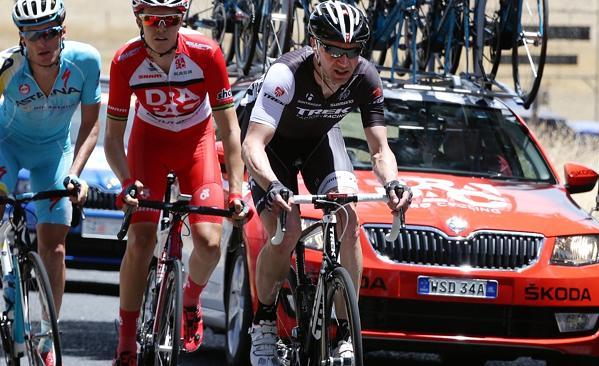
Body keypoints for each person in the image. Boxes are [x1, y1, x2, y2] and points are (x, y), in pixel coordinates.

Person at [240, 1, 412, 364]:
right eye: (333, 49)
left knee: (348, 219)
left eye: (352, 52)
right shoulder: (285, 74)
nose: (343, 61)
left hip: (320, 139)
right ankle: (265, 320)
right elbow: (253, 143)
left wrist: (394, 183)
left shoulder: (365, 78)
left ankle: (345, 333)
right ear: (314, 44)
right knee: (285, 233)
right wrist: (272, 185)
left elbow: (380, 149)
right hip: (272, 148)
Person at [103, 0, 246, 364]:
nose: (161, 27)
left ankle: (190, 300)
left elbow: (229, 130)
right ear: (139, 19)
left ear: (182, 19)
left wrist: (236, 191)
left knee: (210, 241)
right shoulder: (124, 61)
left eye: (171, 19)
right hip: (149, 145)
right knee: (140, 239)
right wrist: (126, 183)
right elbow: (112, 140)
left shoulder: (206, 53)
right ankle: (126, 337)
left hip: (196, 143)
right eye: (152, 19)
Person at [0, 0, 101, 364]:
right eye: (33, 34)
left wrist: (76, 172)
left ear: (64, 30)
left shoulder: (86, 62)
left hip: (52, 154)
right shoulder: (7, 66)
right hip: (5, 148)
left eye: (50, 32)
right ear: (22, 38)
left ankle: (45, 335)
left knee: (54, 245)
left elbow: (91, 125)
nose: (43, 41)